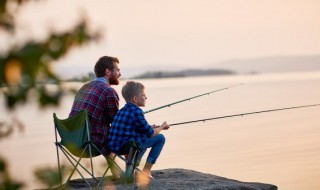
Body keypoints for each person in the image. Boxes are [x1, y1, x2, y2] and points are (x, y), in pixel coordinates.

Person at [69, 55, 121, 178]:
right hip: (90, 144)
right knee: (123, 132)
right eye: (118, 70)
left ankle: (116, 173)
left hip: (72, 141)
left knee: (103, 131)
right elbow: (115, 123)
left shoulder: (83, 87)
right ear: (108, 71)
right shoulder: (109, 91)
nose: (120, 73)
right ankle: (124, 174)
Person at [108, 81, 169, 183]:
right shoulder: (137, 111)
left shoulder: (121, 111)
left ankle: (130, 170)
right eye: (144, 96)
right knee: (160, 138)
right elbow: (150, 133)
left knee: (141, 137)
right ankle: (146, 171)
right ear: (135, 99)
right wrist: (162, 127)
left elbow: (134, 127)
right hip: (127, 146)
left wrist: (150, 127)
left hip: (114, 147)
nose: (146, 98)